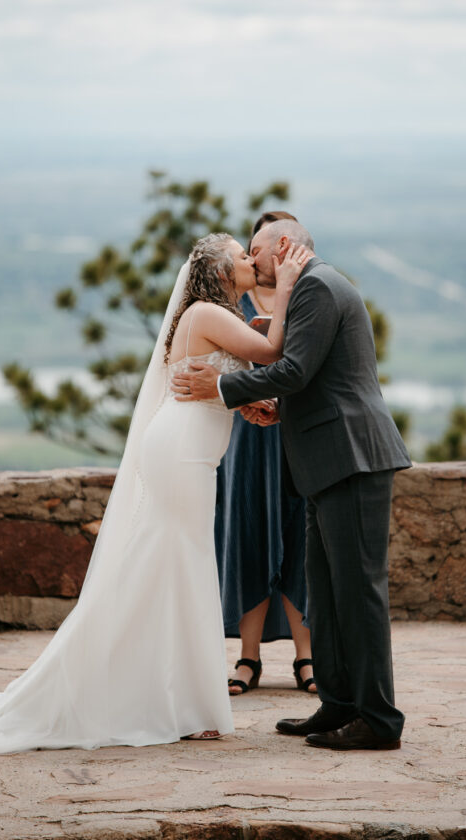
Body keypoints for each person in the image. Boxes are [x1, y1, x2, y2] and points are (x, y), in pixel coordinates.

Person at [0, 233, 311, 758]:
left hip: (189, 452)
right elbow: (269, 350)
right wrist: (286, 286)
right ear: (223, 273)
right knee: (175, 561)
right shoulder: (206, 313)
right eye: (242, 257)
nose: (250, 262)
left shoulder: (212, 317)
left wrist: (244, 404)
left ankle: (179, 701)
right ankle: (169, 700)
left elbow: (233, 372)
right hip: (181, 453)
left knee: (177, 565)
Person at [173, 220, 412, 751]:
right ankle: (338, 704)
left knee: (359, 594)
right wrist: (274, 409)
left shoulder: (318, 288)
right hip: (324, 461)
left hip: (351, 458)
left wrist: (223, 386)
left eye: (255, 251)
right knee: (325, 595)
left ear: (282, 246)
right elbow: (317, 382)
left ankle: (378, 719)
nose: (253, 263)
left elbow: (297, 369)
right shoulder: (308, 288)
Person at [216, 210, 316, 697]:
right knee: (248, 534)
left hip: (294, 431)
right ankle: (247, 657)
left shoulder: (309, 297)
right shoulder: (233, 306)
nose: (259, 256)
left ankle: (307, 657)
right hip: (249, 437)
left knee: (300, 537)